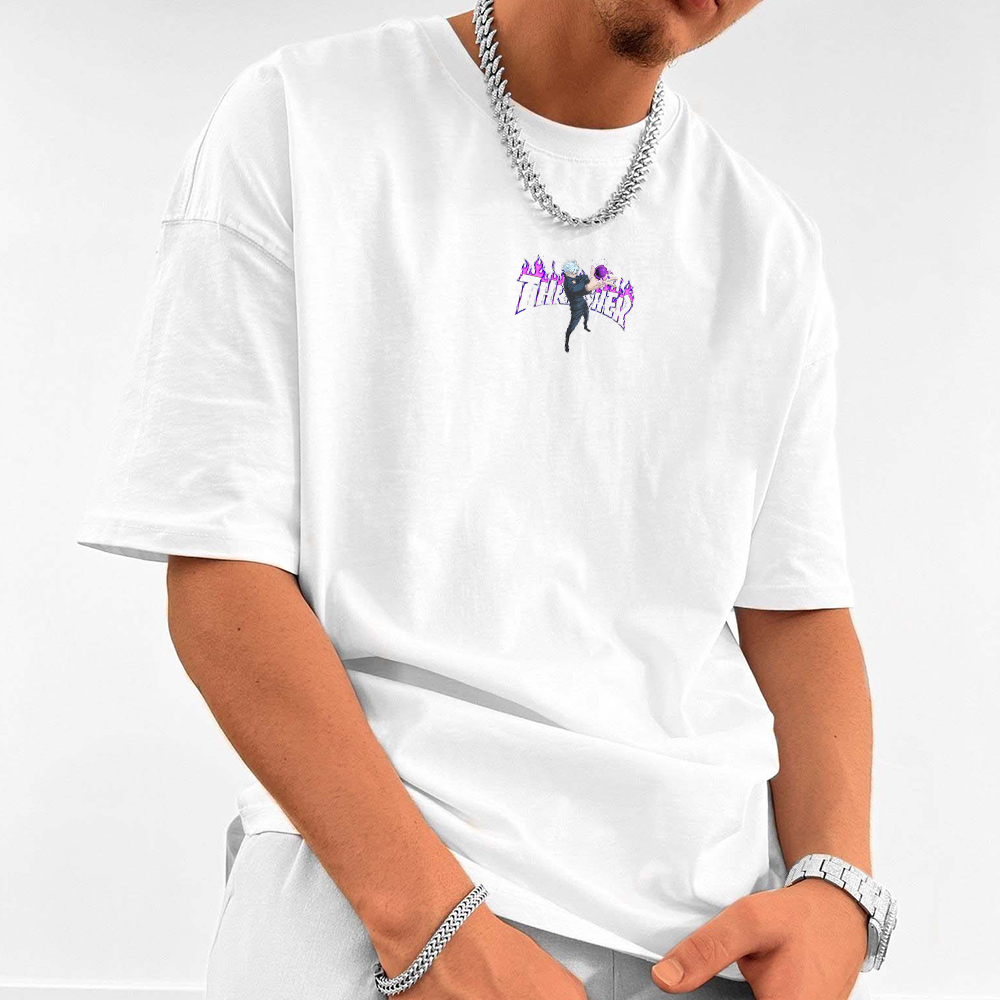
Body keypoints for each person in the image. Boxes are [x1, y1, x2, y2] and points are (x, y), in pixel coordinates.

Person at [77, 1, 897, 998]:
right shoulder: (303, 117)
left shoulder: (766, 244)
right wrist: (429, 926)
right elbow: (220, 571)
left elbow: (796, 611)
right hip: (379, 905)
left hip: (704, 941)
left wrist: (836, 890)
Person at [561, 261, 615, 352]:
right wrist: (589, 286)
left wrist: (594, 277)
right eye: (573, 273)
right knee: (572, 325)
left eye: (575, 273)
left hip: (582, 302)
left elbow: (582, 278)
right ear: (567, 273)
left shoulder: (573, 278)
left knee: (586, 314)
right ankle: (566, 342)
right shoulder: (568, 284)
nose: (575, 275)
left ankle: (585, 325)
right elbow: (576, 290)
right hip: (576, 307)